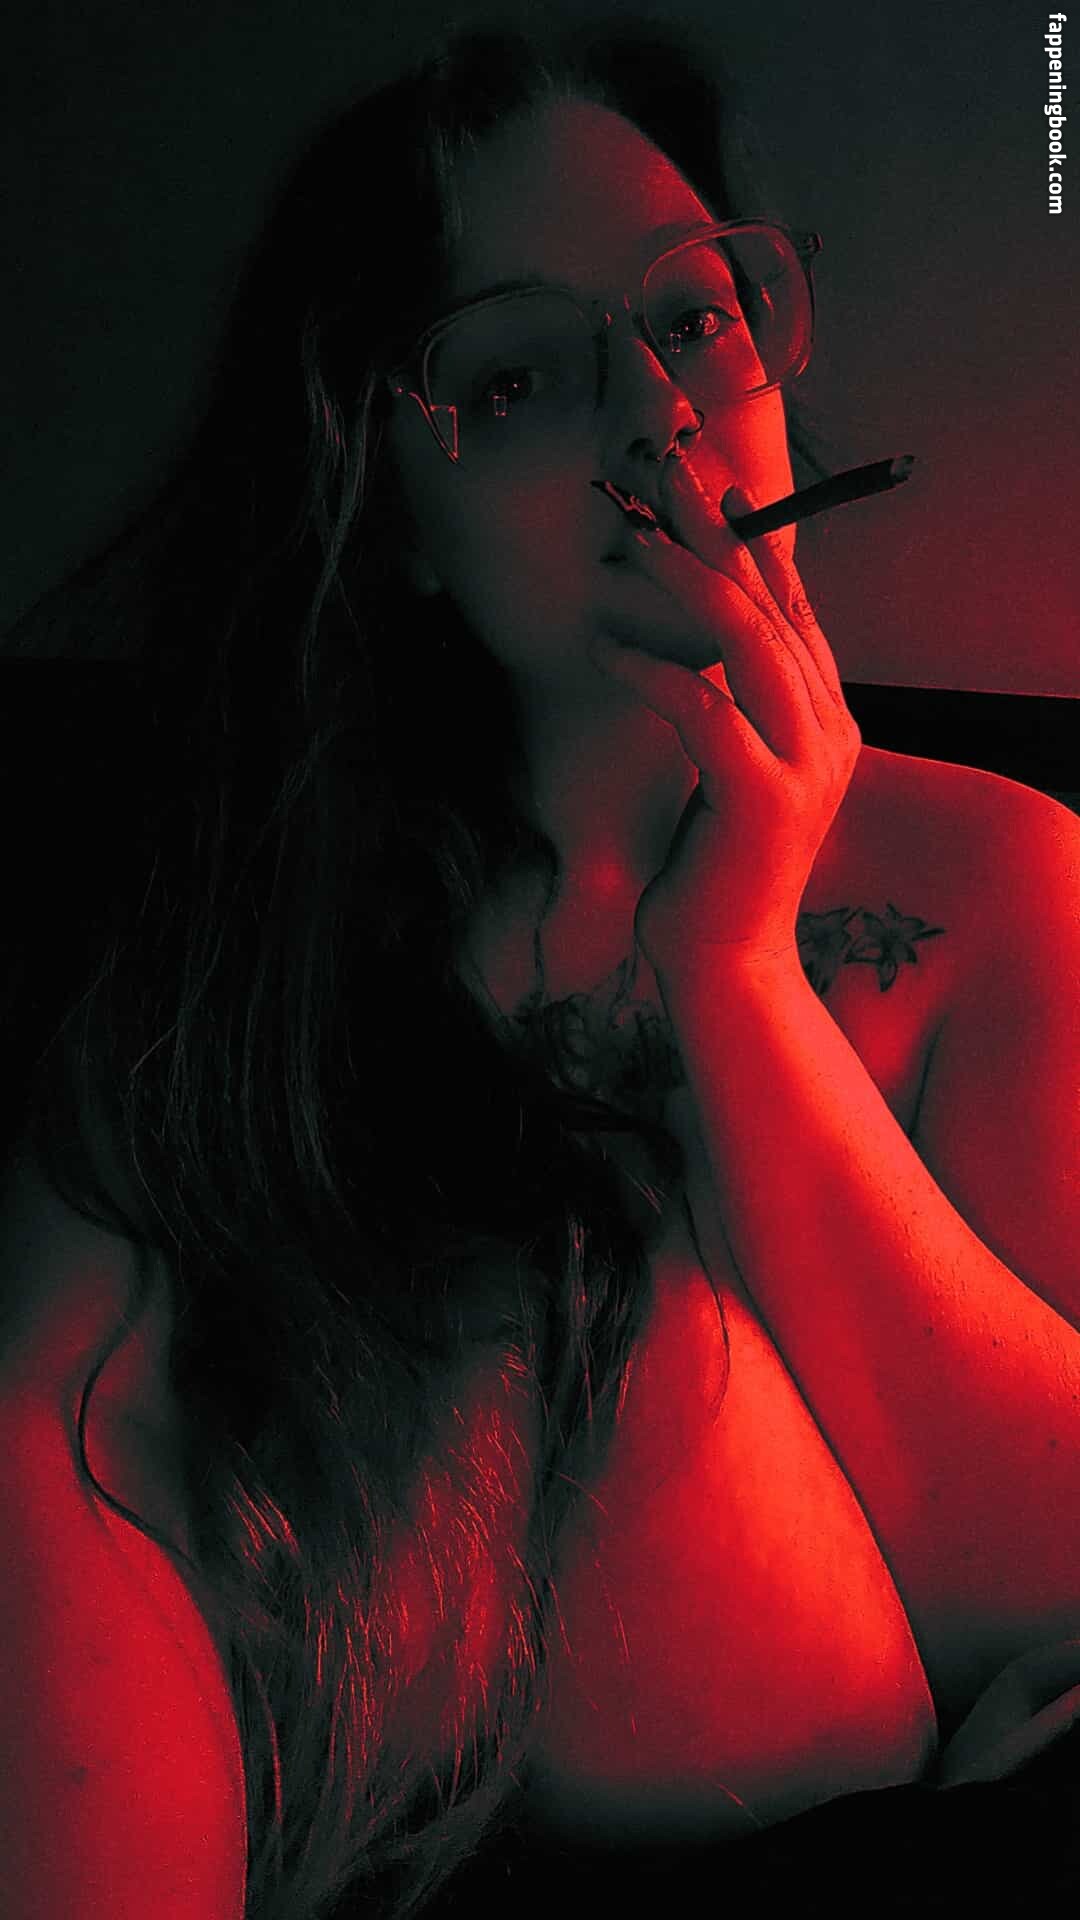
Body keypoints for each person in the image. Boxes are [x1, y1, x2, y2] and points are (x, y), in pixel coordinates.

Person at [2, 14, 1079, 1920]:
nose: (660, 420)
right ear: (393, 522)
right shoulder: (240, 982)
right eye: (515, 380)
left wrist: (737, 970)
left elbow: (1060, 1595)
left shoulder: (999, 880)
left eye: (695, 317)